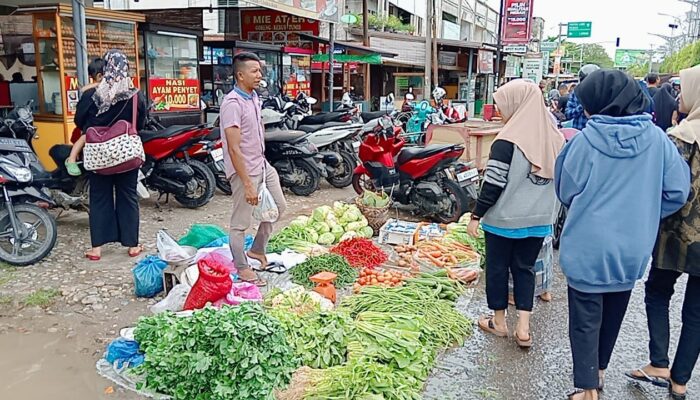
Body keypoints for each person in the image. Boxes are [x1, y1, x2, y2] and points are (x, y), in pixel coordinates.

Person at [554, 69, 690, 400]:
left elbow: (565, 190)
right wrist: (643, 212)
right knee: (615, 309)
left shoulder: (585, 142)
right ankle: (598, 373)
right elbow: (676, 190)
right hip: (632, 247)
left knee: (585, 318)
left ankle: (588, 390)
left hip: (587, 244)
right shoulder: (658, 139)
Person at [468, 79, 564, 349]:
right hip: (539, 221)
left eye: (502, 105)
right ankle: (523, 328)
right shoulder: (555, 138)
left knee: (497, 270)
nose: (500, 111)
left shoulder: (507, 141)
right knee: (525, 270)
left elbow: (494, 184)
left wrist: (476, 215)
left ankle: (499, 323)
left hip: (503, 222)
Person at [626, 64, 700, 400]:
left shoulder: (679, 138)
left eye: (684, 90)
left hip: (674, 234)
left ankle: (659, 362)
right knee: (697, 311)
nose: (679, 96)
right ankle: (680, 380)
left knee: (658, 292)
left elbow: (663, 187)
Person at [220, 52, 287, 287]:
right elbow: (234, 148)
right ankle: (242, 266)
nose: (259, 75)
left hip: (261, 164)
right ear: (240, 75)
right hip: (244, 171)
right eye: (254, 71)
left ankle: (257, 250)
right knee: (241, 223)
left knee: (278, 207)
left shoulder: (253, 97)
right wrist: (247, 182)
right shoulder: (232, 104)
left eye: (260, 71)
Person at [74, 50, 147, 261]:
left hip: (98, 155)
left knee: (99, 198)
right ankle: (132, 245)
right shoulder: (135, 96)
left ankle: (97, 248)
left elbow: (80, 122)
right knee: (128, 196)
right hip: (126, 154)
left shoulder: (91, 95)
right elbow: (140, 124)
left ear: (105, 68)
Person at [67, 58, 106, 166]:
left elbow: (79, 118)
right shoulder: (119, 91)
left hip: (92, 137)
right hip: (109, 137)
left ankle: (72, 160)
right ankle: (71, 160)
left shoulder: (89, 93)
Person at [566, 64, 600, 130]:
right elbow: (568, 114)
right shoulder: (576, 93)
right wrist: (582, 106)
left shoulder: (603, 94)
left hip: (596, 133)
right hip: (579, 132)